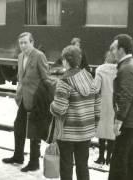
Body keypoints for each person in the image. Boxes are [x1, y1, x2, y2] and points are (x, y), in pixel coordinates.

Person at [50, 45, 100, 180]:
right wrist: (94, 124)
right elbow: (98, 105)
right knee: (82, 165)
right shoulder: (89, 77)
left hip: (68, 133)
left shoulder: (64, 81)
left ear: (66, 60)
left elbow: (59, 109)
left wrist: (52, 106)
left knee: (66, 167)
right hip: (86, 131)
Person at [2, 32, 50, 172]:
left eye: (25, 43)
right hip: (23, 98)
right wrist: (18, 93)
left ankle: (34, 162)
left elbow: (46, 78)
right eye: (21, 43)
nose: (23, 46)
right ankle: (18, 156)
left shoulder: (39, 56)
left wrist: (44, 99)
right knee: (18, 127)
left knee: (34, 131)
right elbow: (20, 78)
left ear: (32, 42)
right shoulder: (20, 56)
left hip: (36, 100)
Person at [108, 34, 133, 180]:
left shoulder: (126, 68)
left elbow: (125, 97)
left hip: (128, 121)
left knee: (118, 158)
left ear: (121, 50)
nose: (112, 51)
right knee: (129, 156)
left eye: (114, 48)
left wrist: (118, 121)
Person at [93, 51, 117, 165]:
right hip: (115, 103)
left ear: (105, 58)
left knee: (102, 131)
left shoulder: (100, 69)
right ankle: (109, 158)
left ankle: (101, 157)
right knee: (111, 131)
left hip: (103, 102)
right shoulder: (120, 69)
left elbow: (96, 88)